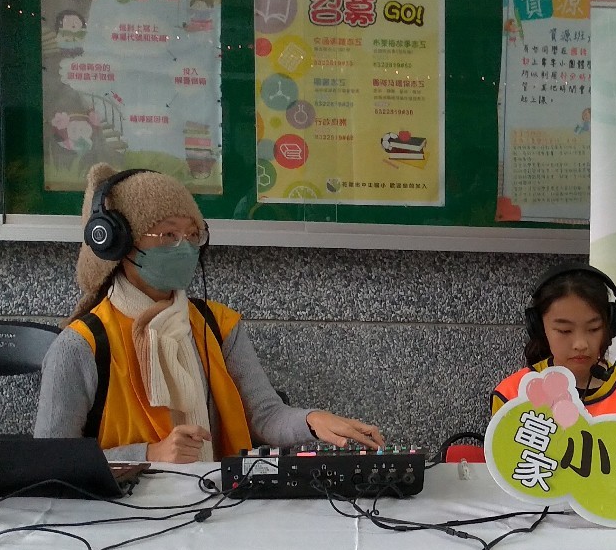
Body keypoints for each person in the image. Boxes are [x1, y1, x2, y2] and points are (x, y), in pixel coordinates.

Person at [35, 164, 384, 463]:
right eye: (168, 234)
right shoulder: (80, 346)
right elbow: (50, 462)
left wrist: (312, 421)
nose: (184, 247)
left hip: (213, 502)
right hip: (122, 512)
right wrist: (149, 454)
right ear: (118, 243)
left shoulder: (218, 326)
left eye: (192, 234)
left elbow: (266, 416)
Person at [492, 264, 616, 416]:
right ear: (539, 328)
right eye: (564, 330)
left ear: (610, 326)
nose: (580, 344)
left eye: (594, 329)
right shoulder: (511, 395)